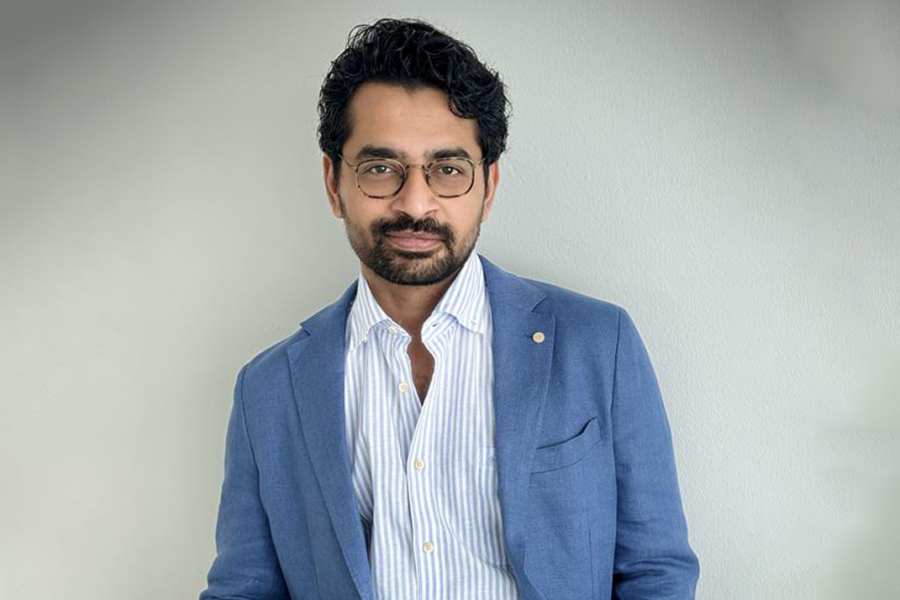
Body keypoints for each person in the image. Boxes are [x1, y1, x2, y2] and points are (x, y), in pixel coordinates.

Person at [200, 18, 699, 600]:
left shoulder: (598, 344)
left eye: (448, 170)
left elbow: (655, 571)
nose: (416, 202)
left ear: (488, 186)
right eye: (380, 168)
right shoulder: (267, 390)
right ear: (334, 183)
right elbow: (244, 589)